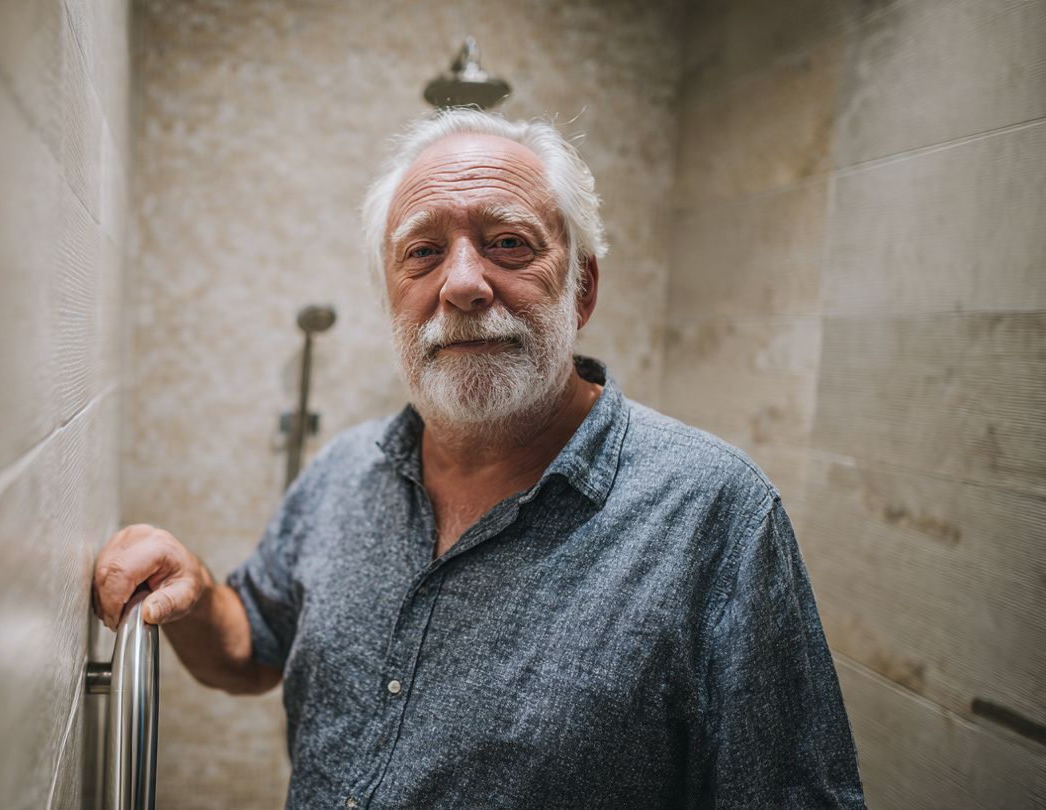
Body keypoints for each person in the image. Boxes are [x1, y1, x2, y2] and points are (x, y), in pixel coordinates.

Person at [92, 109, 865, 808]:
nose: (462, 284)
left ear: (582, 288)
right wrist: (194, 592)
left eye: (508, 244)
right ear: (392, 298)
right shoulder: (342, 471)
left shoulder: (715, 513)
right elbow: (252, 647)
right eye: (423, 252)